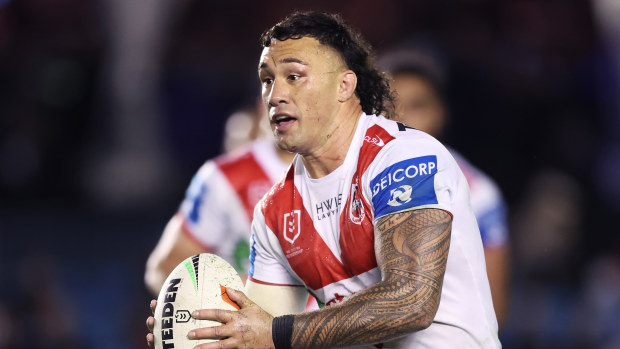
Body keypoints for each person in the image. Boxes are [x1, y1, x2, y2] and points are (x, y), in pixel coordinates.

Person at [147, 11, 500, 348]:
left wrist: (272, 334)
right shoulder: (274, 212)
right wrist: (201, 332)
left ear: (345, 85)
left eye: (294, 76)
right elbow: (261, 333)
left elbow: (410, 301)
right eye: (267, 80)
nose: (275, 95)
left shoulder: (404, 157)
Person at [378, 48, 511, 327]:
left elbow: (493, 310)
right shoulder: (346, 183)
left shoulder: (479, 195)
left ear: (440, 113)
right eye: (389, 106)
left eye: (416, 106)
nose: (401, 120)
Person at [144, 101, 294, 295]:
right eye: (269, 81)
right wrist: (232, 296)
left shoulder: (345, 172)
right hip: (249, 322)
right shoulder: (225, 177)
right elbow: (165, 268)